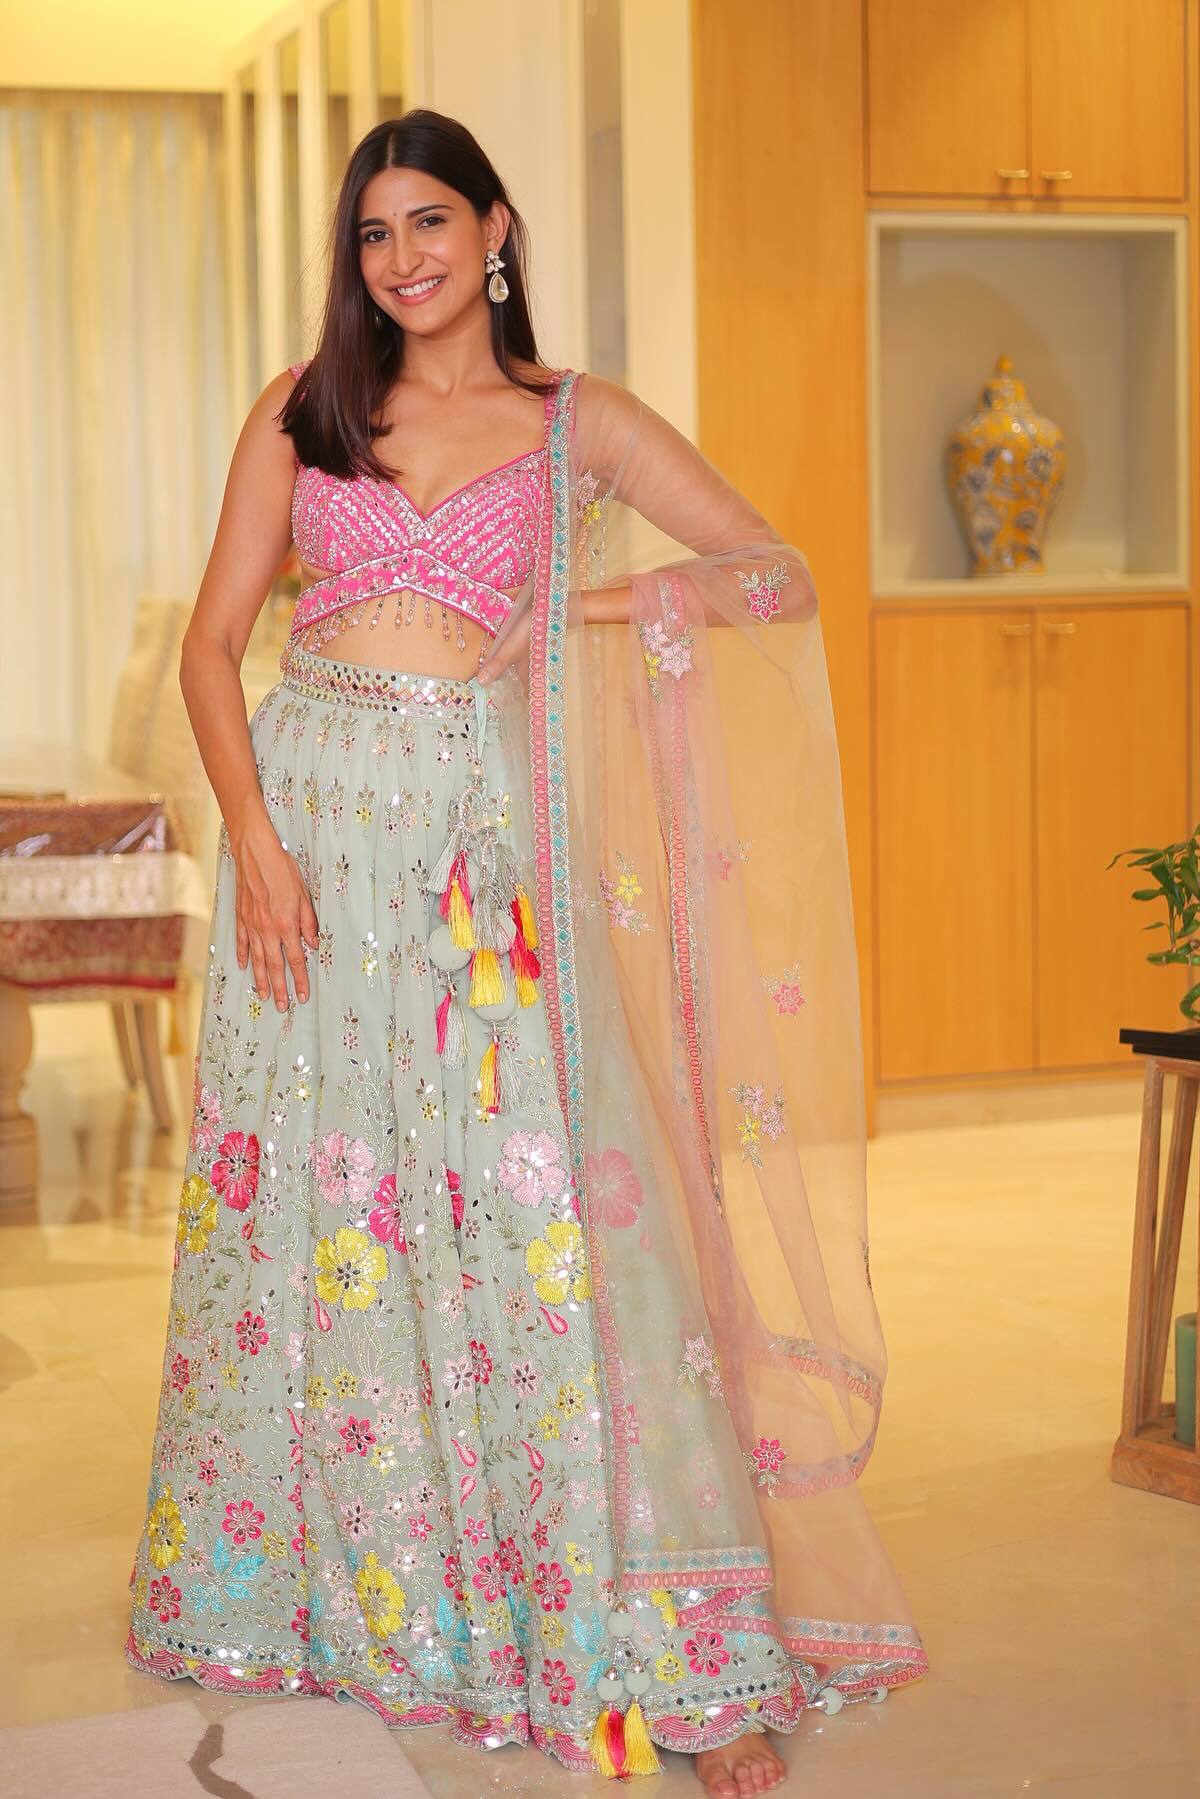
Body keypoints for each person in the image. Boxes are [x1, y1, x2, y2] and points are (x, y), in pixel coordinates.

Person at [123, 108, 927, 1799]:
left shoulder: (580, 425)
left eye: (429, 221)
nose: (400, 258)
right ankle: (345, 1594)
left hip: (486, 877)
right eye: (372, 233)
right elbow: (212, 645)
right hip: (310, 859)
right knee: (326, 1210)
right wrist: (253, 843)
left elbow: (771, 575)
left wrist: (580, 615)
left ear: (494, 231)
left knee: (546, 1212)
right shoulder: (304, 409)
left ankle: (662, 1647)